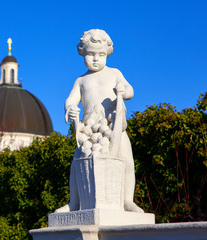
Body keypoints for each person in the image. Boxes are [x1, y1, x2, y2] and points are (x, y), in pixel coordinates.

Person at [56, 29, 143, 213]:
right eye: (90, 54)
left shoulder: (114, 73)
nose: (96, 58)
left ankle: (127, 201)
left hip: (114, 127)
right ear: (82, 52)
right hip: (89, 133)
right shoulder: (81, 81)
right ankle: (74, 203)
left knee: (126, 161)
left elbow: (130, 90)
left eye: (100, 54)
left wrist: (123, 91)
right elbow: (71, 100)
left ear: (108, 54)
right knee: (76, 166)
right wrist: (70, 108)